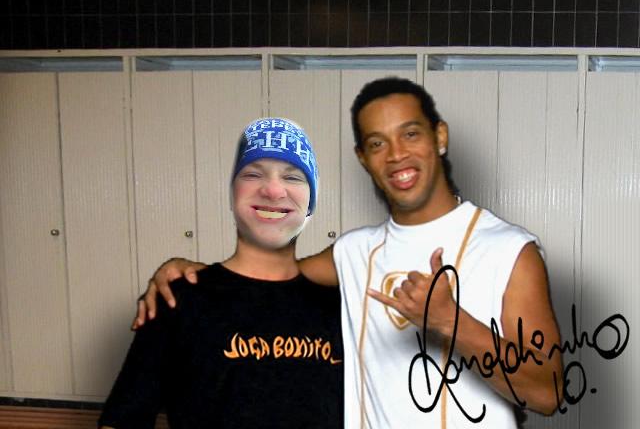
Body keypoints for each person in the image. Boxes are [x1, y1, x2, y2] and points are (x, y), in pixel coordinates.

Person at [136, 78, 563, 428]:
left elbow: (547, 393)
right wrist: (191, 274)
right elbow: (266, 279)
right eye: (377, 143)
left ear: (440, 136)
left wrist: (450, 321)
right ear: (363, 158)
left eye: (410, 133)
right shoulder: (354, 251)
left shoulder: (510, 250)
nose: (396, 154)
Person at [99, 118, 343, 428]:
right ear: (232, 194)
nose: (272, 190)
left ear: (311, 203)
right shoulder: (178, 297)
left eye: (292, 177)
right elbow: (123, 418)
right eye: (253, 174)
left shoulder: (343, 304)